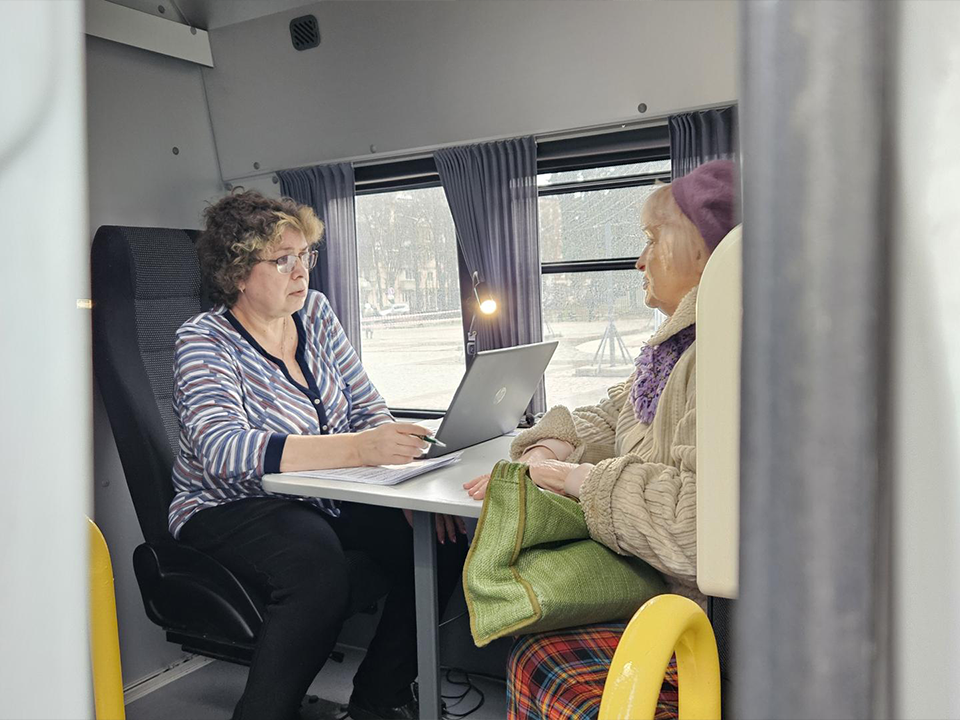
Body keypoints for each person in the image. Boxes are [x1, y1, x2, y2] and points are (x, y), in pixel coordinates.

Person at [170, 190, 467, 720]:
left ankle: (379, 699)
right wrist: (358, 449)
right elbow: (220, 447)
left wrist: (405, 481)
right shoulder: (203, 340)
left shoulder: (318, 314)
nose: (300, 270)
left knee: (441, 538)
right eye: (281, 260)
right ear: (238, 273)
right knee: (316, 567)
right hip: (227, 506)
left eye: (305, 254)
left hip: (320, 497)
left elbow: (366, 405)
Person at [463, 160, 739, 720]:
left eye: (652, 240)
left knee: (532, 640)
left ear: (704, 251)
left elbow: (698, 526)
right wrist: (551, 446)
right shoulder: (671, 352)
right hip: (662, 594)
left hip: (700, 625)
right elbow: (616, 413)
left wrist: (577, 481)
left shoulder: (721, 357)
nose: (639, 260)